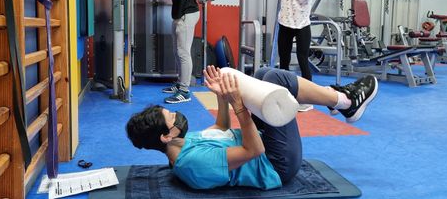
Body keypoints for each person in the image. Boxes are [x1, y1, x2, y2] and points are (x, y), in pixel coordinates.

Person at [126, 66, 378, 190]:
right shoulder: (193, 163)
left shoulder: (181, 144)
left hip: (261, 144)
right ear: (166, 135)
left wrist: (221, 97)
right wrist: (239, 106)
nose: (177, 114)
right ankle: (345, 101)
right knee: (275, 82)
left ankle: (339, 100)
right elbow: (254, 150)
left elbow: (221, 128)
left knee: (262, 73)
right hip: (275, 164)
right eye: (172, 116)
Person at [278, 0, 339, 112]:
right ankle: (284, 97)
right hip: (286, 23)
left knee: (303, 60)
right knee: (284, 62)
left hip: (303, 24)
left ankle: (307, 99)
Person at [148, 0, 200, 104]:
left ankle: (185, 92)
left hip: (187, 12)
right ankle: (179, 84)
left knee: (183, 52)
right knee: (178, 52)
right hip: (178, 13)